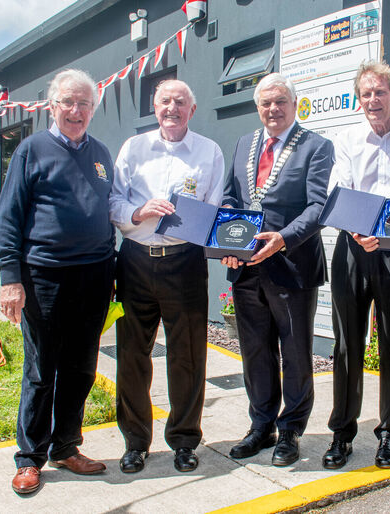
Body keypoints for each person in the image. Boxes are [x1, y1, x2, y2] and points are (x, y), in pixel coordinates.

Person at [0, 69, 116, 495]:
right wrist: (11, 279)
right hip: (44, 276)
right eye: (69, 102)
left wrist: (112, 272)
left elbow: (106, 213)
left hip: (95, 277)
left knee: (81, 369)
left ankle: (66, 446)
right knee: (42, 369)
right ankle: (30, 458)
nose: (77, 110)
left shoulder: (101, 153)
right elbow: (8, 218)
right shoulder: (31, 150)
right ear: (52, 105)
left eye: (85, 104)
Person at [109, 80, 224, 474]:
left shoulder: (209, 151)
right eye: (164, 101)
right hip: (136, 261)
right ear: (154, 108)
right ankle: (136, 442)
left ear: (192, 110)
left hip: (185, 261)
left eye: (180, 102)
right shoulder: (133, 148)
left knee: (188, 354)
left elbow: (213, 207)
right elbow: (114, 200)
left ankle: (184, 439)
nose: (171, 108)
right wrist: (139, 213)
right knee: (131, 355)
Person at [221, 72, 333, 467]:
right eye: (266, 103)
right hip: (247, 269)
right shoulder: (243, 144)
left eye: (281, 101)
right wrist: (228, 243)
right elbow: (230, 197)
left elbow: (319, 207)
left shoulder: (317, 147)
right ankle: (261, 425)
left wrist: (282, 238)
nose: (273, 109)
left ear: (295, 104)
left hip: (291, 266)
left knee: (296, 354)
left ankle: (291, 431)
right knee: (254, 352)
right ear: (257, 107)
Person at [323, 61, 390, 470]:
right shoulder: (347, 139)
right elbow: (342, 190)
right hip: (353, 249)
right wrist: (360, 229)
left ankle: (389, 434)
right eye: (366, 93)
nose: (373, 99)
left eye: (380, 92)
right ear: (359, 99)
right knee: (347, 346)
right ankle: (342, 433)